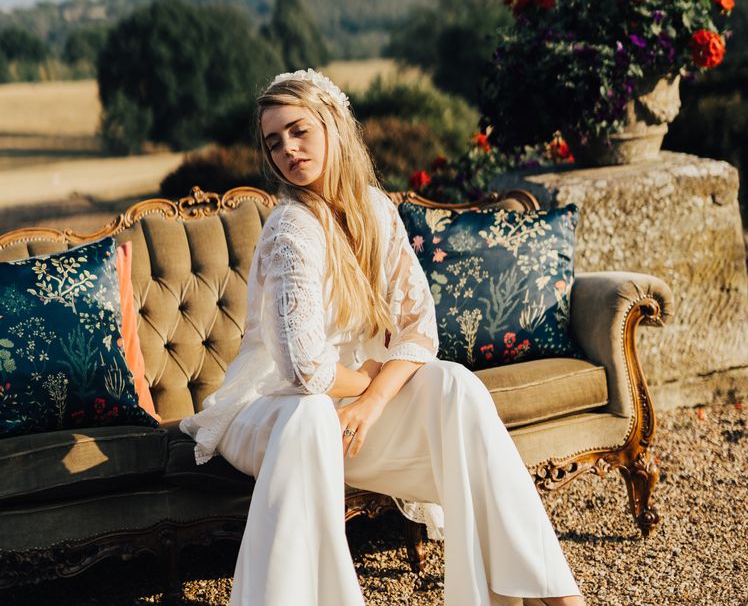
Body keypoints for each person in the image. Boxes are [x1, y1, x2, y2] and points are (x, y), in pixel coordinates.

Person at [180, 68, 586, 606]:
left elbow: (420, 330)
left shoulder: (375, 210)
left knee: (456, 387)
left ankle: (543, 593)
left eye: (299, 131)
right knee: (309, 413)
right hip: (266, 409)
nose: (288, 151)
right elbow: (304, 371)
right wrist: (368, 380)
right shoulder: (290, 229)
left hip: (347, 410)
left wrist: (372, 398)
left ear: (333, 125)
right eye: (274, 142)